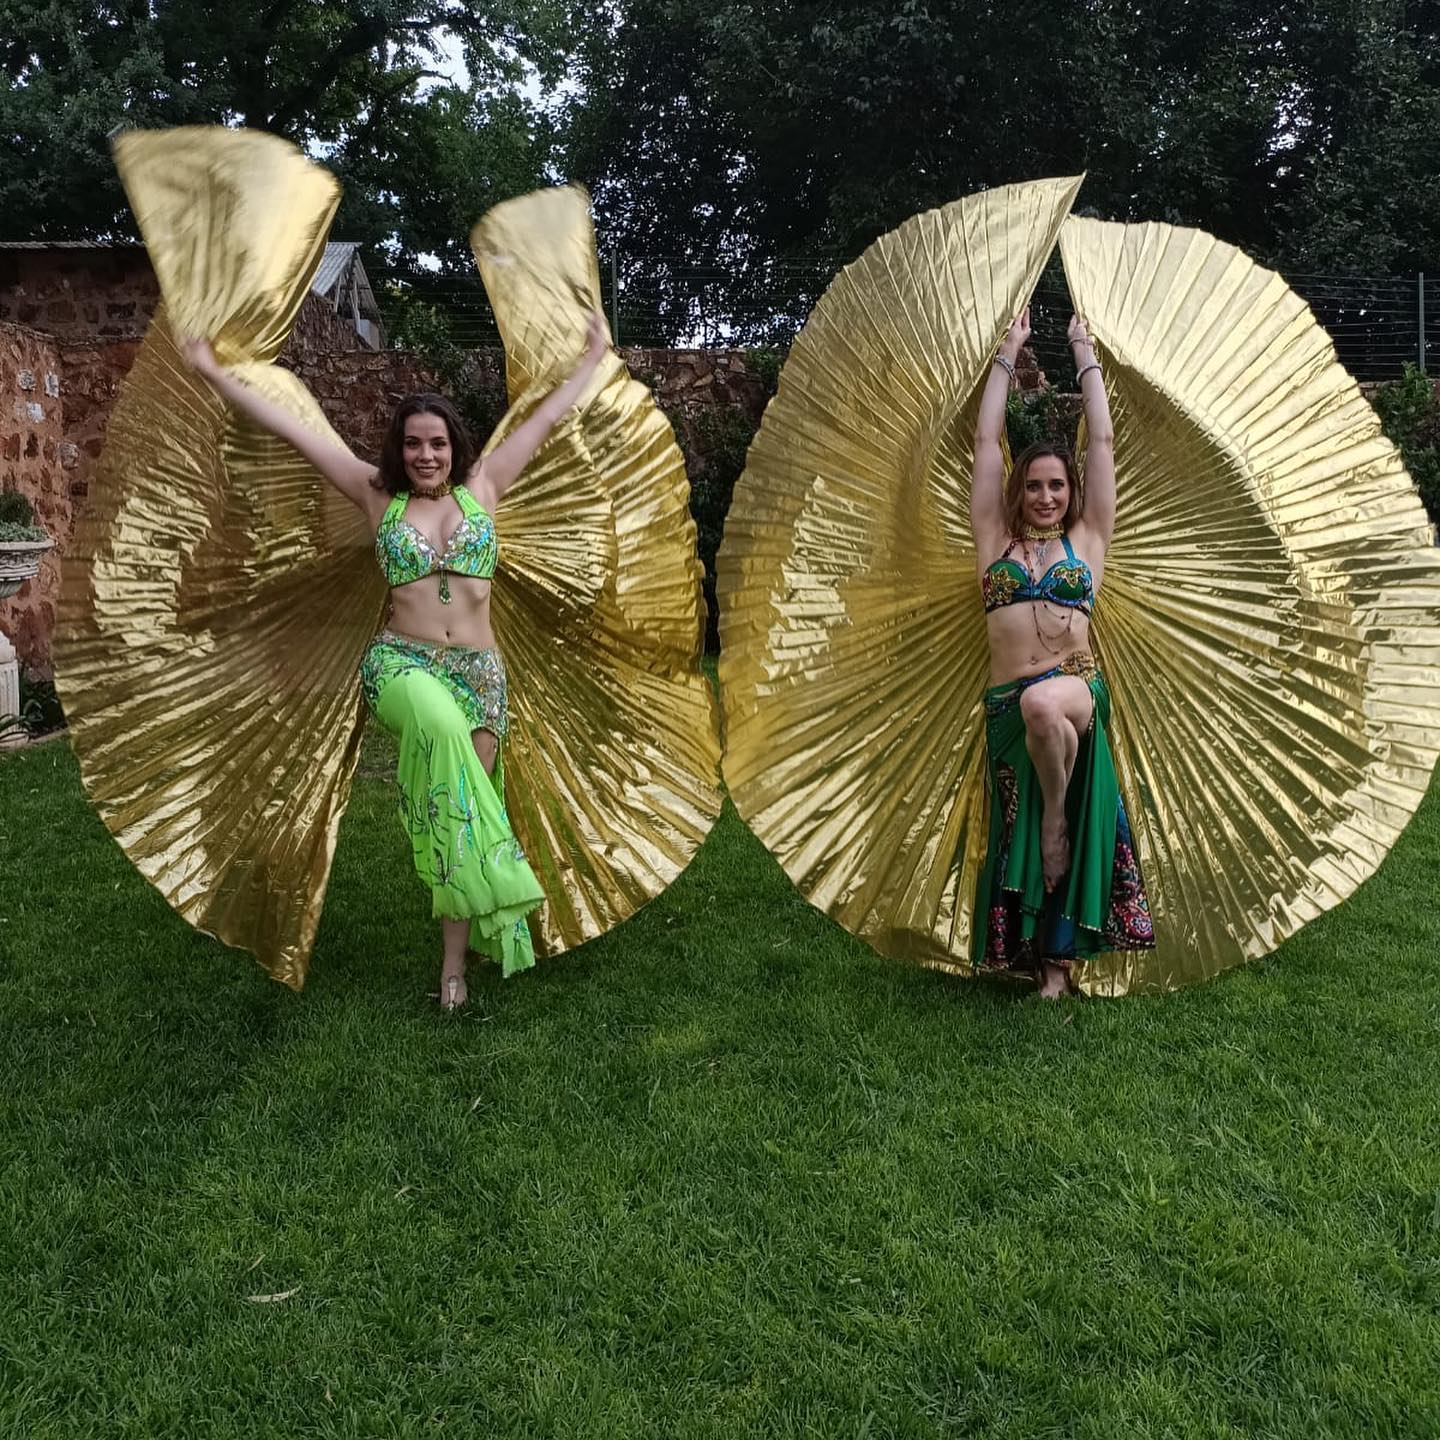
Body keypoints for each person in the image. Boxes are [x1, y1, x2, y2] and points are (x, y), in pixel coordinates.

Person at [182, 312, 611, 1009]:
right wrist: (211, 370)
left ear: (454, 446)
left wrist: (591, 358)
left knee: (460, 813)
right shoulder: (375, 493)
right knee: (440, 734)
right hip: (401, 665)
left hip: (480, 676)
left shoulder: (486, 487)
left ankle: (454, 968)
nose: (426, 455)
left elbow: (547, 420)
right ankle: (506, 885)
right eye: (413, 443)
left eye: (437, 443)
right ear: (398, 448)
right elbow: (295, 431)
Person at [968, 306, 1155, 996]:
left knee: (1047, 710)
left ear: (1071, 491)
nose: (1046, 496)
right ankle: (1051, 968)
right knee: (1025, 810)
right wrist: (1008, 353)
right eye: (1034, 485)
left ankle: (1054, 827)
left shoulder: (1088, 541)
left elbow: (1101, 439)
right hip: (1005, 707)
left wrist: (1084, 352)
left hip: (1072, 689)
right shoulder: (994, 541)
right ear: (1019, 490)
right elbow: (986, 440)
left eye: (1057, 485)